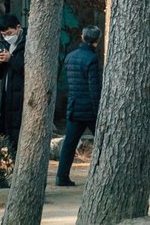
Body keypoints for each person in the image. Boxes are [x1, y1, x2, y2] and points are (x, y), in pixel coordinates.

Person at [56, 25, 103, 186]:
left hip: (74, 106)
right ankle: (103, 174)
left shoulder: (70, 57)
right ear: (96, 41)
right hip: (89, 109)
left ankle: (62, 176)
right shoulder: (91, 59)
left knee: (69, 143)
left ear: (82, 37)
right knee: (104, 141)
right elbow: (94, 89)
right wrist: (99, 111)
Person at [0, 14, 26, 156]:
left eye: (9, 33)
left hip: (22, 96)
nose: (7, 37)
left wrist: (11, 59)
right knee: (6, 134)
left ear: (18, 27)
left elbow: (28, 70)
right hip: (7, 96)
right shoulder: (4, 44)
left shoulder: (28, 42)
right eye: (4, 34)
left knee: (19, 135)